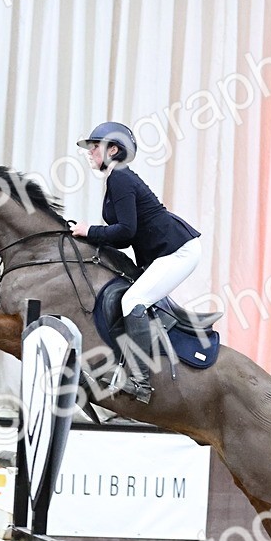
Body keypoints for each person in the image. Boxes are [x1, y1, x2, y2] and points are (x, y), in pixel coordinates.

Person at [71, 121, 201, 399]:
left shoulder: (119, 178)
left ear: (113, 150)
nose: (91, 152)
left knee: (132, 301)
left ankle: (142, 382)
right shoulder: (117, 178)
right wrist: (89, 236)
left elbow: (126, 231)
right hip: (168, 250)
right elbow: (123, 239)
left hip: (179, 251)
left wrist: (89, 231)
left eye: (95, 147)